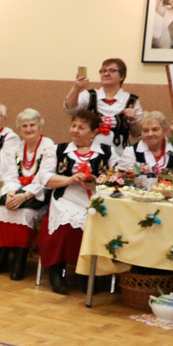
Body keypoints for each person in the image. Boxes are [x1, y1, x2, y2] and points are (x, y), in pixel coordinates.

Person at [40, 109, 114, 294]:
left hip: (95, 198)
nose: (75, 130)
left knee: (94, 222)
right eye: (73, 126)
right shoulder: (58, 150)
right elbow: (45, 178)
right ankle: (56, 271)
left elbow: (119, 177)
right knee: (66, 223)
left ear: (93, 132)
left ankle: (88, 272)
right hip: (66, 195)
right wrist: (70, 179)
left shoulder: (106, 152)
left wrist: (97, 182)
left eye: (81, 127)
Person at [0, 109, 55, 281]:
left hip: (37, 196)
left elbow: (44, 178)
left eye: (32, 125)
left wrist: (24, 196)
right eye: (24, 126)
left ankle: (19, 262)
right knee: (3, 211)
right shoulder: (17, 149)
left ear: (40, 127)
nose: (28, 129)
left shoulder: (48, 147)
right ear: (19, 129)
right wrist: (11, 193)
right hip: (18, 191)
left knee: (24, 213)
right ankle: (0, 259)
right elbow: (11, 175)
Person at [64, 58, 142, 155]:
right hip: (91, 155)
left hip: (120, 154)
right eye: (103, 71)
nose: (106, 74)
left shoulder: (131, 100)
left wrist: (132, 120)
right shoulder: (89, 95)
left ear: (122, 76)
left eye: (112, 71)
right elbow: (70, 110)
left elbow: (137, 134)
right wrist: (76, 89)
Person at [125, 111, 173, 177]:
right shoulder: (130, 152)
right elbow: (124, 177)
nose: (150, 134)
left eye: (155, 129)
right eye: (145, 131)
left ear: (165, 131)